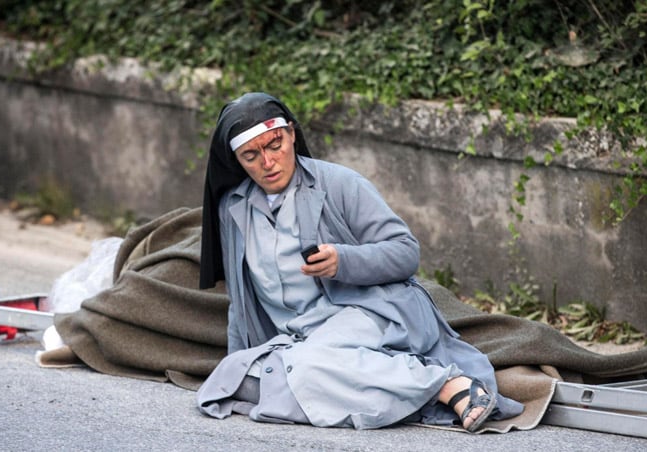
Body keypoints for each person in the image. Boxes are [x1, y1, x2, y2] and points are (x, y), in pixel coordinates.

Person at [196, 92, 524, 431]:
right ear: (236, 160)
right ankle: (404, 392)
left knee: (305, 369)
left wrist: (343, 260)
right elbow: (239, 300)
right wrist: (239, 358)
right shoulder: (232, 209)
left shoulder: (341, 183)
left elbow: (406, 252)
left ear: (292, 134)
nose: (267, 162)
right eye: (251, 155)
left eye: (275, 145)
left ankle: (447, 384)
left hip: (367, 312)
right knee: (242, 380)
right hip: (299, 340)